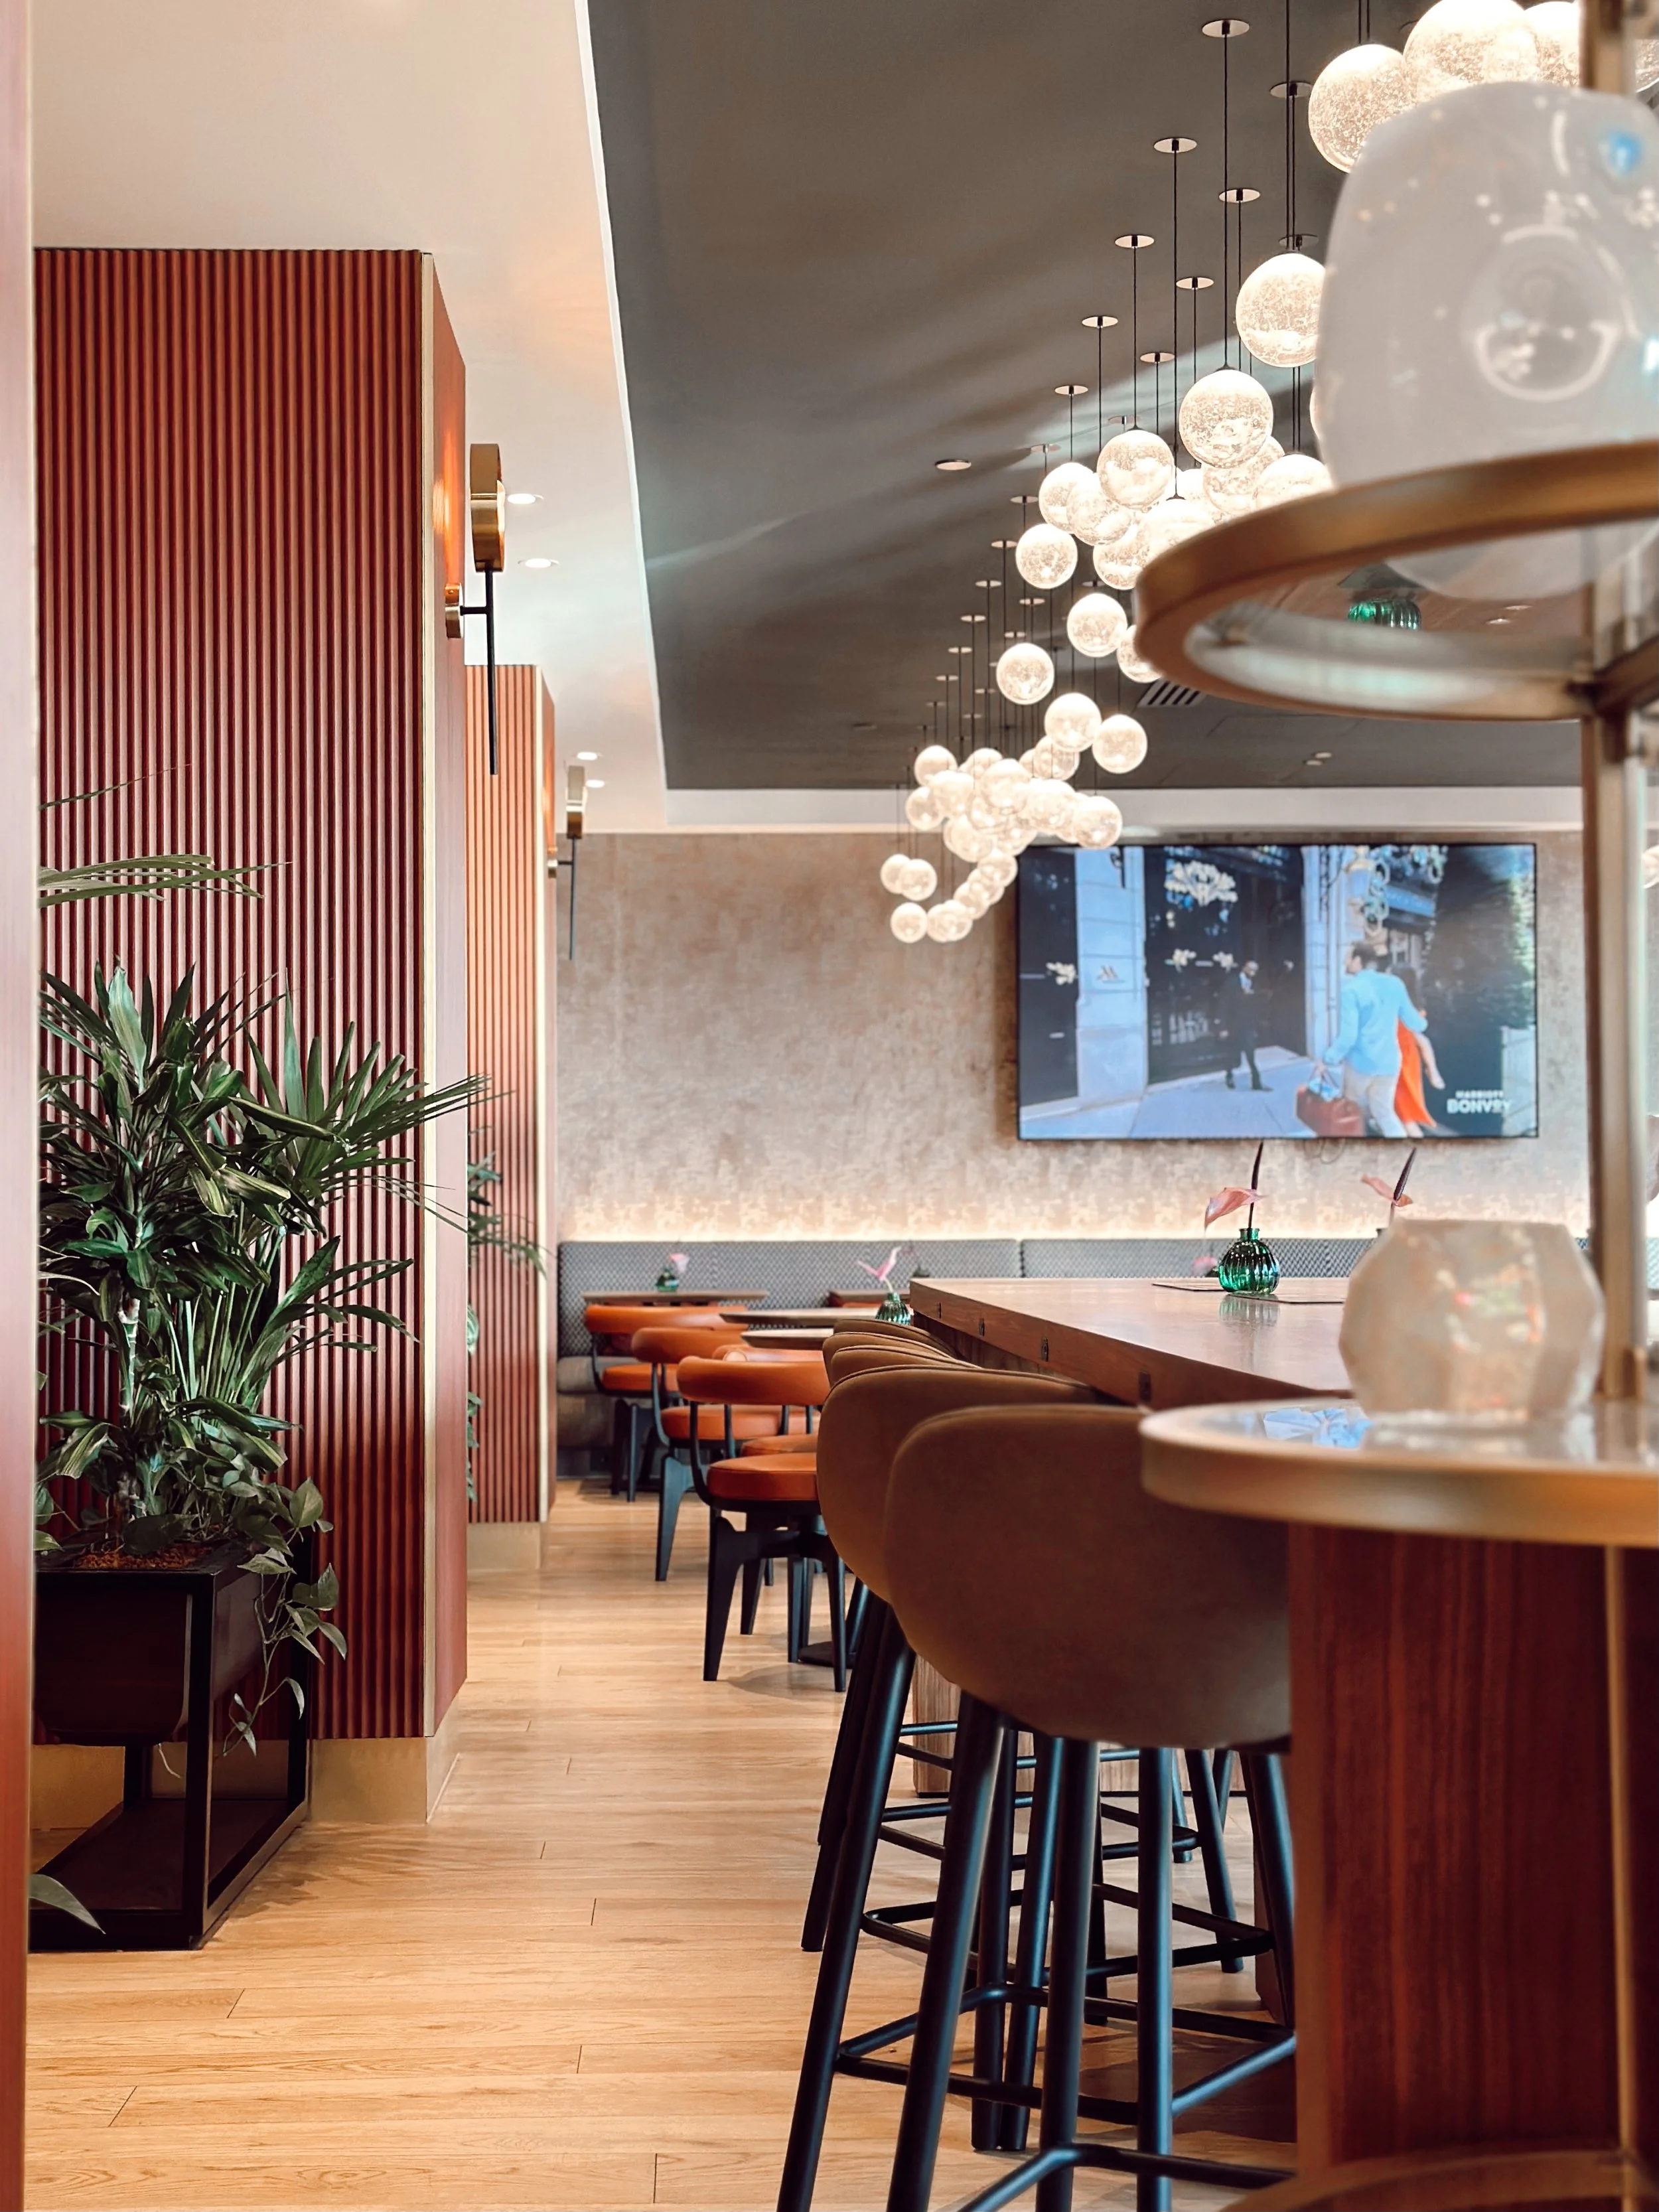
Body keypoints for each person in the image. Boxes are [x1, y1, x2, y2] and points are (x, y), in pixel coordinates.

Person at [1312, 942, 1426, 1138]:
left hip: (1361, 1064)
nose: (1345, 962)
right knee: (1385, 1114)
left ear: (1358, 960)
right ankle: (1404, 1153)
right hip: (1389, 1064)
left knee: (1350, 1114)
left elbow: (1348, 1037)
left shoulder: (1351, 990)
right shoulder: (1395, 984)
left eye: (1348, 957)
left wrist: (1327, 1059)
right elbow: (1416, 1023)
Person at [1392, 966, 1445, 1135]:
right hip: (1405, 1061)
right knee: (1400, 1114)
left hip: (1401, 1064)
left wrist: (1433, 1071)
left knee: (1405, 1117)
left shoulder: (1400, 1009)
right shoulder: (1412, 1008)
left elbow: (1422, 1041)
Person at [1222, 959, 1266, 1091]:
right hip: (1233, 1023)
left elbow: (1256, 1006)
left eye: (1255, 970)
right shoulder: (1232, 982)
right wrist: (1223, 1026)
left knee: (1250, 1052)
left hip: (1248, 1024)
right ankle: (1229, 1075)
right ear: (1244, 968)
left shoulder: (1254, 984)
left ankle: (1256, 1081)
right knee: (1232, 1052)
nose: (1253, 973)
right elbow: (1224, 1004)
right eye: (1250, 969)